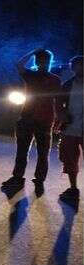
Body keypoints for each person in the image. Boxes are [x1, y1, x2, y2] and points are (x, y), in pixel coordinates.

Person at [1, 49, 61, 195]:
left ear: (48, 62)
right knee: (25, 150)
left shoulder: (52, 79)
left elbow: (58, 100)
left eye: (45, 61)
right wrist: (33, 52)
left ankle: (35, 179)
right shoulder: (33, 76)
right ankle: (21, 177)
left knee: (39, 152)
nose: (43, 63)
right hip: (29, 118)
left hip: (41, 119)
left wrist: (58, 119)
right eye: (41, 61)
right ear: (38, 62)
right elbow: (18, 64)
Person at [58, 55, 83, 204]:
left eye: (82, 65)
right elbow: (59, 104)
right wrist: (61, 115)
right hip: (70, 129)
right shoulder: (67, 85)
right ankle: (73, 188)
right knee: (70, 160)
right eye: (77, 65)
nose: (80, 68)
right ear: (73, 68)